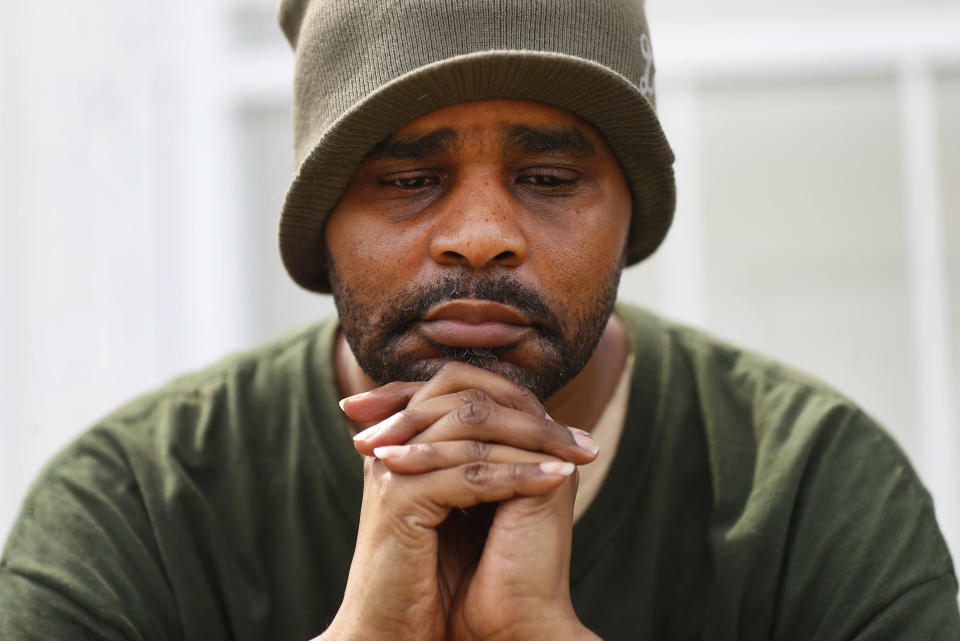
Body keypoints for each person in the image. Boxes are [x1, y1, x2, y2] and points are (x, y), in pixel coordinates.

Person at [1, 0, 958, 639]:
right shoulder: (136, 508)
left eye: (547, 179)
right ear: (319, 216)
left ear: (634, 210)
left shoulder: (806, 490)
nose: (481, 236)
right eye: (409, 180)